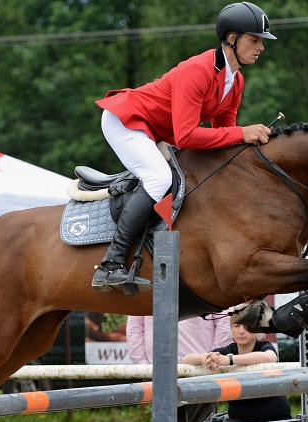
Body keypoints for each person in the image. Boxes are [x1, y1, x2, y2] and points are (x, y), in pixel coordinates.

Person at [91, 2, 276, 293]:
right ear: (231, 38)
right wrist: (242, 132)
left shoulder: (235, 81)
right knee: (159, 178)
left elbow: (223, 134)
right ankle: (110, 265)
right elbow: (188, 135)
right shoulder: (198, 70)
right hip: (126, 121)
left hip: (156, 131)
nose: (261, 47)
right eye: (255, 39)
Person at [182, 318, 290, 422]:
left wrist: (230, 361)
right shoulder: (226, 352)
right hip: (240, 420)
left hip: (272, 417)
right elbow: (187, 359)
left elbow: (270, 357)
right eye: (236, 326)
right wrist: (206, 357)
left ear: (258, 330)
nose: (241, 331)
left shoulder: (263, 347)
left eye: (248, 326)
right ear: (230, 329)